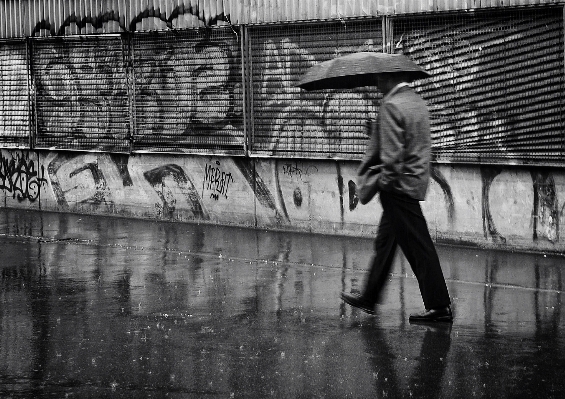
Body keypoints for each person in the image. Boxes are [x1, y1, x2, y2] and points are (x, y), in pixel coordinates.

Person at [341, 71, 452, 322]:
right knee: (386, 243)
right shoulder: (416, 101)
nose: (377, 83)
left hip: (398, 187)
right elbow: (411, 141)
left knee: (419, 247)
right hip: (413, 180)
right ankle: (369, 296)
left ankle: (439, 307)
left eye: (380, 79)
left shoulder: (391, 106)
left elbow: (392, 158)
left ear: (390, 78)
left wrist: (382, 182)